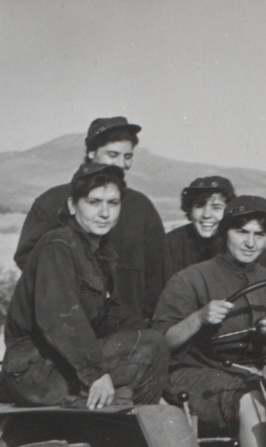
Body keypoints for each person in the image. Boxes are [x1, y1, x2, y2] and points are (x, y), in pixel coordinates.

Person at [153, 195, 266, 447]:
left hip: (252, 371)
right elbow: (162, 342)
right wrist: (199, 317)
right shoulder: (190, 279)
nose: (250, 243)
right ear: (224, 231)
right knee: (251, 400)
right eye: (241, 232)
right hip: (194, 373)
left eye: (259, 234)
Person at [2, 163, 168, 409]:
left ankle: (127, 422)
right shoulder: (58, 245)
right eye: (94, 202)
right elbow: (59, 319)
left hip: (59, 363)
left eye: (113, 203)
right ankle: (125, 424)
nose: (104, 213)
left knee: (154, 343)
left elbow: (106, 315)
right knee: (152, 348)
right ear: (72, 205)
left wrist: (153, 329)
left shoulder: (99, 251)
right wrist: (96, 374)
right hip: (35, 371)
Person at [14, 116, 171, 324]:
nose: (122, 164)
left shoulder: (142, 206)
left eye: (128, 156)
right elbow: (29, 259)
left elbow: (159, 271)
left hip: (129, 326)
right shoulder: (52, 201)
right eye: (112, 155)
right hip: (68, 325)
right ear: (90, 152)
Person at [165, 175, 266, 275]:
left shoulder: (245, 245)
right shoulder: (170, 243)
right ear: (190, 210)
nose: (207, 215)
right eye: (199, 206)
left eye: (216, 207)